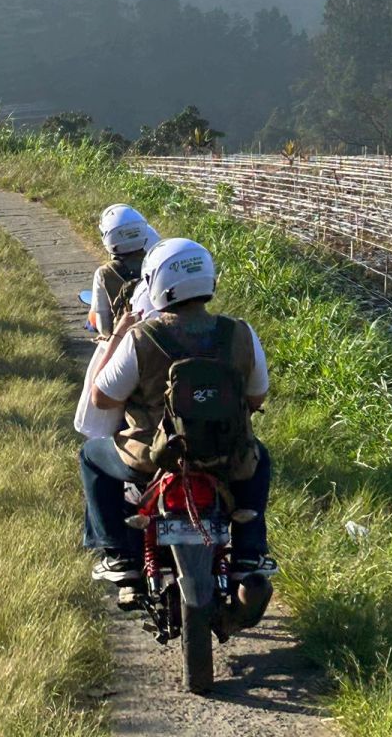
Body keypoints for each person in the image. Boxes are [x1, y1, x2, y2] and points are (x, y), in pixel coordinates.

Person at [80, 238, 277, 587]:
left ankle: (118, 554)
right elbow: (256, 397)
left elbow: (102, 398)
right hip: (225, 454)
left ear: (156, 283)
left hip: (152, 457)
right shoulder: (241, 334)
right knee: (260, 458)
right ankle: (249, 551)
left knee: (91, 457)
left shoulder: (142, 338)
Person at [89, 205, 161, 338]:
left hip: (126, 341)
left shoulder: (104, 273)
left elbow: (104, 327)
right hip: (163, 338)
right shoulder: (158, 264)